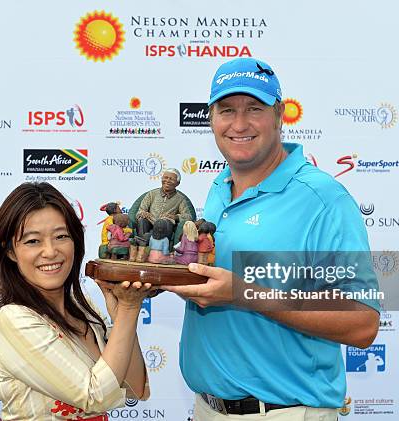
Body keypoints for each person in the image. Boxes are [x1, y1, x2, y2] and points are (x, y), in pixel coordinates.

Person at [162, 58, 380, 420]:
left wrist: (242, 292)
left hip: (285, 413)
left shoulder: (323, 199)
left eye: (254, 109)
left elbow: (363, 323)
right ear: (211, 118)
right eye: (227, 110)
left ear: (280, 115)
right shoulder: (218, 191)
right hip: (207, 409)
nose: (239, 124)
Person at [0, 182, 151, 421]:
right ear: (11, 251)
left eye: (61, 236)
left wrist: (123, 315)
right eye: (33, 241)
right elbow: (95, 397)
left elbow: (134, 388)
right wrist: (128, 309)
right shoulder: (14, 319)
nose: (51, 251)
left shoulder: (84, 309)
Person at [135, 168, 193, 242]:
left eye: (171, 179)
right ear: (161, 179)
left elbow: (188, 216)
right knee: (142, 220)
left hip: (165, 225)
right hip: (150, 222)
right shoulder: (152, 194)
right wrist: (143, 213)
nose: (167, 181)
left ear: (177, 183)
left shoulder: (180, 199)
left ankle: (150, 241)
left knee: (165, 222)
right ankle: (144, 242)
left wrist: (175, 217)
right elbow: (139, 212)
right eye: (165, 178)